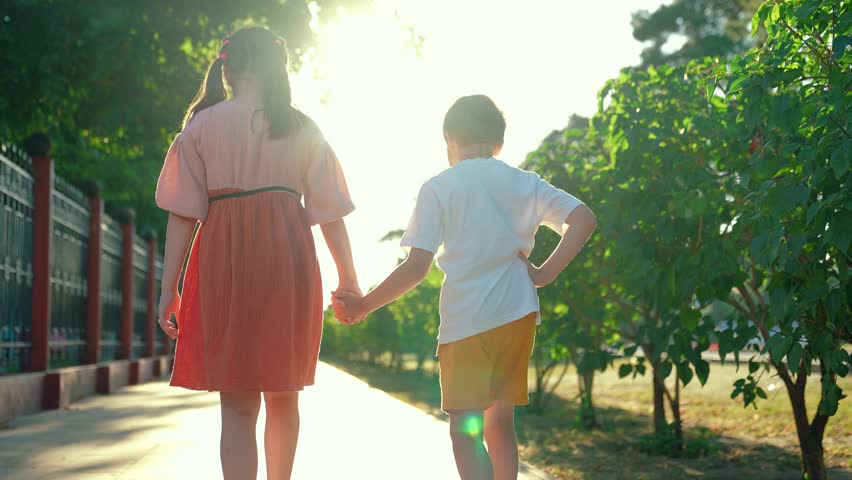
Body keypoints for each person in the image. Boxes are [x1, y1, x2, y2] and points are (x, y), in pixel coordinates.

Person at [333, 95, 596, 480]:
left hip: (467, 320)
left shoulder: (440, 187)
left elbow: (417, 267)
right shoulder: (526, 183)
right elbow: (584, 218)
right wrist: (545, 274)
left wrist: (364, 305)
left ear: (448, 139)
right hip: (517, 313)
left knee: (464, 429)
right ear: (499, 144)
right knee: (499, 423)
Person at [155, 26, 360, 480]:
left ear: (227, 69)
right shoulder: (302, 127)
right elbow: (331, 214)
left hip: (222, 263)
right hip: (288, 263)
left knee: (237, 403)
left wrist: (170, 289)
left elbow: (182, 215)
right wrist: (348, 278)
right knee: (284, 395)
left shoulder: (201, 126)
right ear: (275, 69)